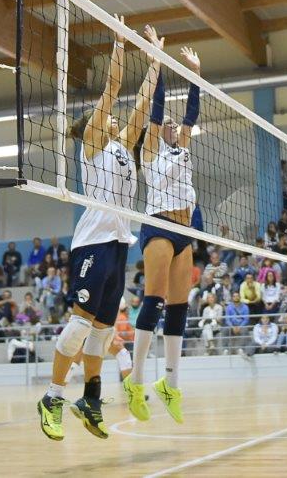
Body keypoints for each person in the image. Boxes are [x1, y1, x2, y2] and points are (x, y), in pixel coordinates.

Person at [37, 31, 158, 442]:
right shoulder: (91, 144)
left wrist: (156, 61)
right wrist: (121, 47)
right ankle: (52, 397)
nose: (112, 116)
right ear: (92, 125)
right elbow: (113, 88)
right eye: (104, 115)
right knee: (78, 326)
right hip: (93, 242)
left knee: (103, 332)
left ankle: (90, 398)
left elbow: (140, 107)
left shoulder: (123, 145)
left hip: (120, 242)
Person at [126, 40, 203, 426]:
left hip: (184, 230)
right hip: (158, 224)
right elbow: (157, 112)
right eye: (168, 125)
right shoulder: (151, 149)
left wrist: (195, 76)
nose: (174, 127)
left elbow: (191, 112)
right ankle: (136, 381)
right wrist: (156, 64)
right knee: (153, 300)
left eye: (176, 126)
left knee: (179, 307)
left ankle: (170, 383)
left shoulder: (184, 145)